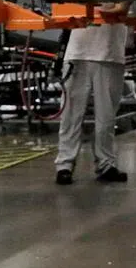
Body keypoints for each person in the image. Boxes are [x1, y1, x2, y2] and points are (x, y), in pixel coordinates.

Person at [54, 16, 129, 185]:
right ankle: (64, 165)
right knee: (70, 114)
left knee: (107, 117)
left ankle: (106, 164)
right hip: (78, 52)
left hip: (111, 52)